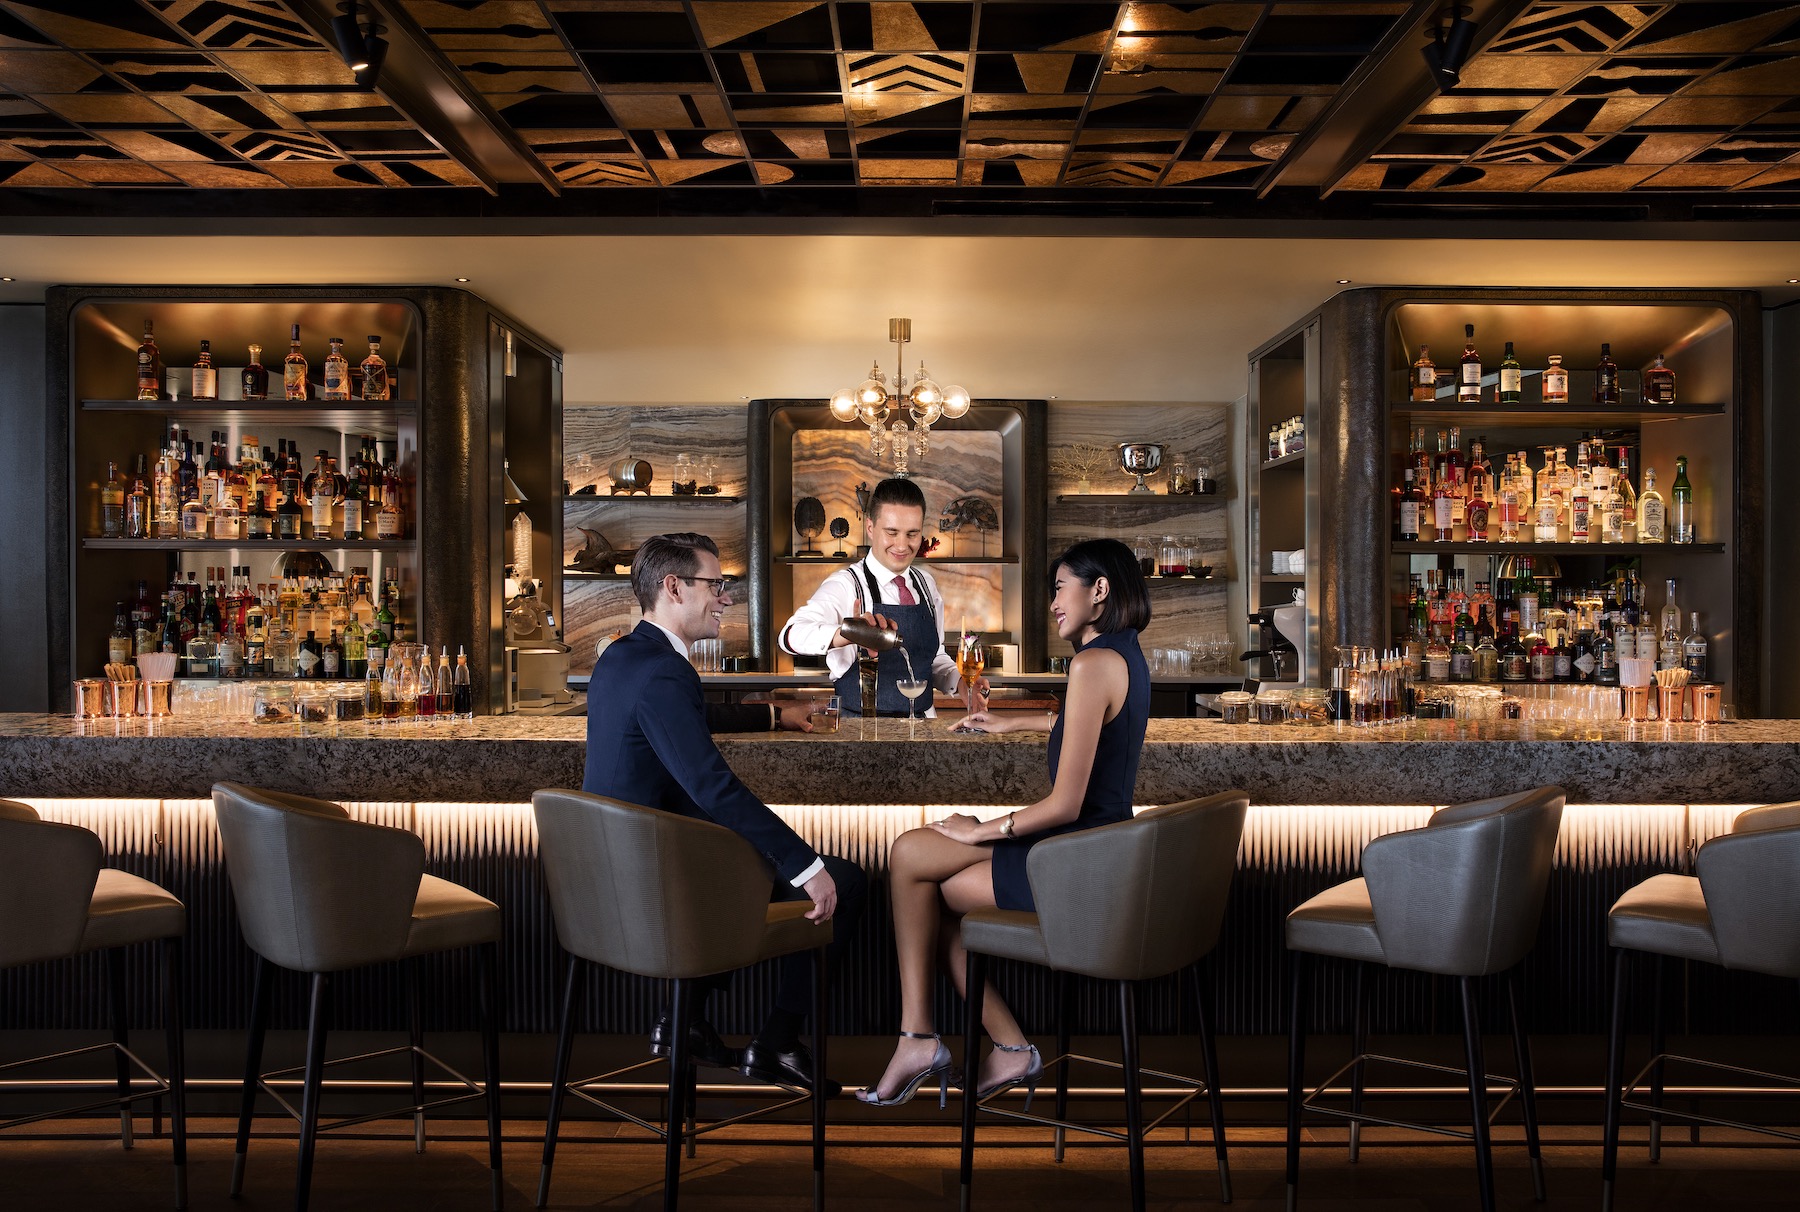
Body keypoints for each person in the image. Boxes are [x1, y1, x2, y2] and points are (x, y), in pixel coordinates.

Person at [854, 538, 1151, 1107]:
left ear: (1100, 590)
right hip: (1099, 849)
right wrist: (1016, 722)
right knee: (918, 864)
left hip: (1076, 856)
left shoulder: (1091, 664)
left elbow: (1065, 805)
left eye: (1060, 588)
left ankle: (927, 1039)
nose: (1053, 603)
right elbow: (1095, 726)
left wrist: (980, 829)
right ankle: (972, 1044)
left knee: (917, 865)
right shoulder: (1123, 654)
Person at [583, 532, 866, 1094]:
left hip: (613, 879)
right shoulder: (666, 672)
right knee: (844, 881)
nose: (726, 598)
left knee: (738, 862)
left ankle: (684, 1021)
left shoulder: (624, 655)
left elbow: (684, 718)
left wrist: (771, 715)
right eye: (715, 585)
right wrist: (805, 865)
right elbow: (714, 787)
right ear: (673, 587)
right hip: (662, 892)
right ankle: (778, 1043)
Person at [779, 477, 988, 718]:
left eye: (912, 534)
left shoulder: (926, 584)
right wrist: (846, 633)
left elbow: (933, 657)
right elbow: (789, 635)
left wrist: (960, 682)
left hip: (922, 728)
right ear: (870, 528)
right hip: (861, 730)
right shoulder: (846, 585)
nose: (902, 545)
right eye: (892, 532)